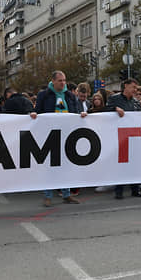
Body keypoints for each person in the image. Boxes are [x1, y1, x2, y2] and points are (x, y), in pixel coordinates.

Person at [30, 71, 84, 206]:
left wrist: (81, 115)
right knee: (49, 166)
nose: (63, 83)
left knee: (64, 166)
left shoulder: (70, 96)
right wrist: (33, 115)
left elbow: (75, 112)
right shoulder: (44, 95)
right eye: (60, 80)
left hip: (66, 134)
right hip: (49, 134)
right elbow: (38, 111)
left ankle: (66, 194)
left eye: (64, 80)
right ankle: (48, 196)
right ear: (53, 81)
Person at [105, 78, 141, 199]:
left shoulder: (135, 102)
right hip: (119, 138)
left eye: (136, 88)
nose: (135, 90)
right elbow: (105, 110)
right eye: (133, 87)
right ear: (125, 86)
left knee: (134, 165)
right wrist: (115, 109)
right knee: (121, 165)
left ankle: (135, 189)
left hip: (133, 137)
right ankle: (119, 191)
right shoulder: (114, 99)